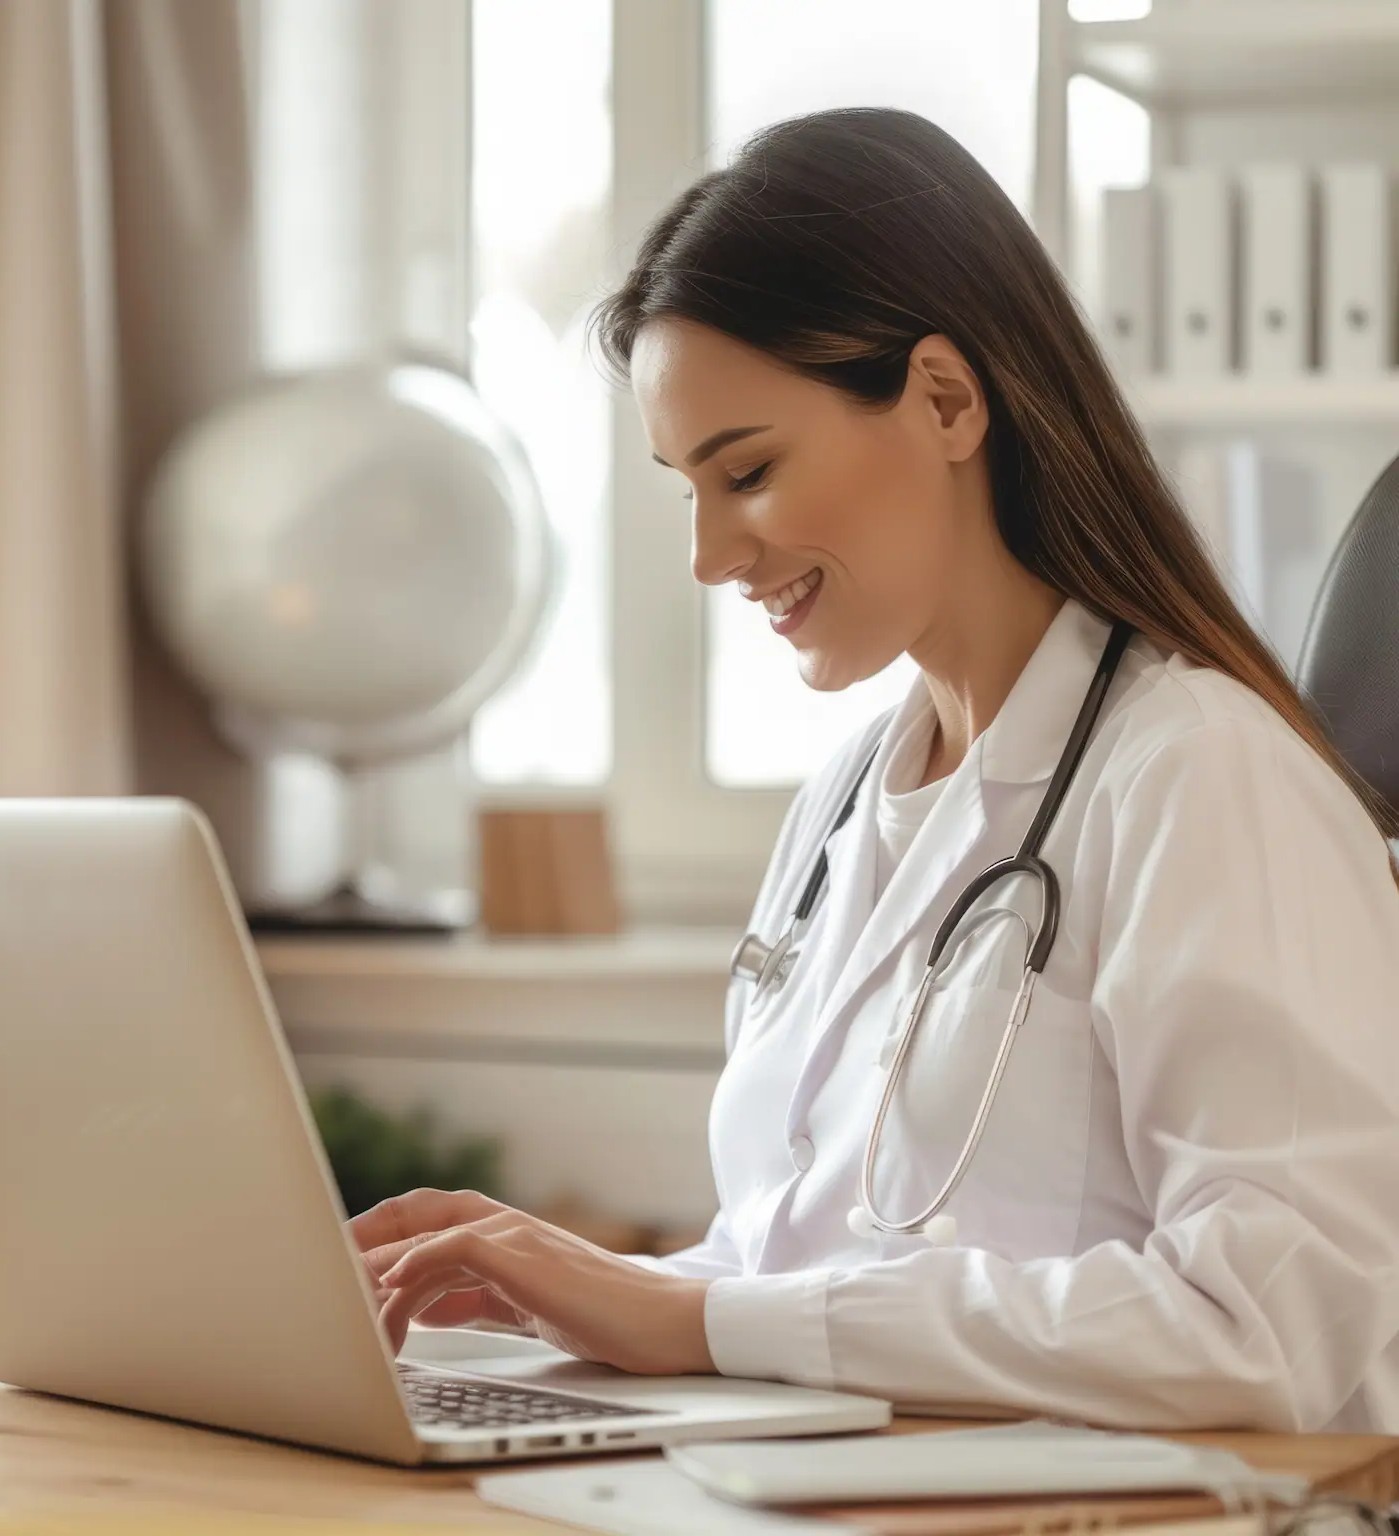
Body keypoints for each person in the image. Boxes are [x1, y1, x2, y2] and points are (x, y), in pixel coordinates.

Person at [347, 108, 1399, 1432]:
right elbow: (789, 1276)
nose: (712, 556)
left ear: (948, 399)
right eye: (688, 488)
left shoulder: (1204, 777)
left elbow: (1273, 1328)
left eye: (751, 471)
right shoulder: (850, 798)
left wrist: (697, 1318)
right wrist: (575, 1293)